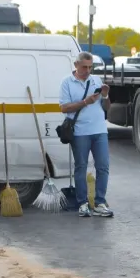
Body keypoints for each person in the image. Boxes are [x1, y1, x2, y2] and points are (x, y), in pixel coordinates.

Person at [60, 51, 112, 218]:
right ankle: (82, 203)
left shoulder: (96, 80)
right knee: (81, 167)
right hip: (80, 131)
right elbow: (64, 108)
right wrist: (85, 102)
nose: (88, 70)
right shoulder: (67, 82)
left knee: (103, 166)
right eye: (84, 67)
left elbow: (106, 107)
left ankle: (100, 203)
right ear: (76, 65)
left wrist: (106, 96)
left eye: (90, 67)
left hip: (100, 130)